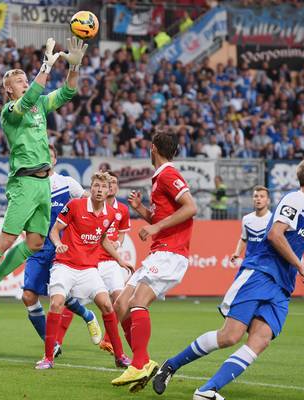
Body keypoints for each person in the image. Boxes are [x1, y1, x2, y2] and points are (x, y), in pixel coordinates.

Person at [152, 159, 304, 400]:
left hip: (281, 286)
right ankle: (170, 365)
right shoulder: (295, 199)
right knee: (230, 336)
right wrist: (301, 268)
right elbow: (275, 234)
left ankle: (206, 391)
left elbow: (287, 242)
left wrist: (298, 266)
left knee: (261, 340)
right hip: (261, 275)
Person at [0, 37, 88, 321]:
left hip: (44, 183)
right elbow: (30, 97)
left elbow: (68, 93)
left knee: (34, 243)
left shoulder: (39, 106)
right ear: (9, 89)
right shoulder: (9, 112)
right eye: (19, 81)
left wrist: (74, 66)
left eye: (25, 78)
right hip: (23, 182)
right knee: (6, 240)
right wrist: (45, 66)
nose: (24, 82)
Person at [111, 128, 197, 392]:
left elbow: (191, 207)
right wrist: (142, 211)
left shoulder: (169, 174)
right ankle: (143, 362)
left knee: (137, 302)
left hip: (171, 252)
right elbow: (162, 219)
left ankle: (138, 363)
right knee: (120, 304)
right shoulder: (159, 178)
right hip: (160, 250)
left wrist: (156, 229)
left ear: (153, 149)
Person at [36, 171, 133, 370]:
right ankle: (48, 358)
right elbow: (54, 230)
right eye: (96, 186)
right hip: (65, 264)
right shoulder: (75, 205)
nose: (99, 190)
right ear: (91, 187)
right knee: (56, 303)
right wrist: (57, 244)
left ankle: (120, 356)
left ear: (108, 191)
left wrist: (120, 260)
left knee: (107, 305)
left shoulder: (110, 214)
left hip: (88, 269)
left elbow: (104, 240)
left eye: (103, 187)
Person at [22, 145, 99, 355]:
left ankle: (86, 315)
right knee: (29, 296)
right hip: (37, 248)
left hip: (60, 249)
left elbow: (90, 205)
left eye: (50, 156)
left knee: (59, 296)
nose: (46, 160)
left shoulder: (67, 184)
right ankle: (53, 343)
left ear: (55, 160)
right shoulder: (29, 187)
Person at [230, 186, 271, 267]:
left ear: (268, 201)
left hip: (266, 265)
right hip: (249, 263)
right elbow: (244, 239)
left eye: (262, 196)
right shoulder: (246, 219)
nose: (258, 199)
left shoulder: (273, 220)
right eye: (256, 196)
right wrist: (237, 253)